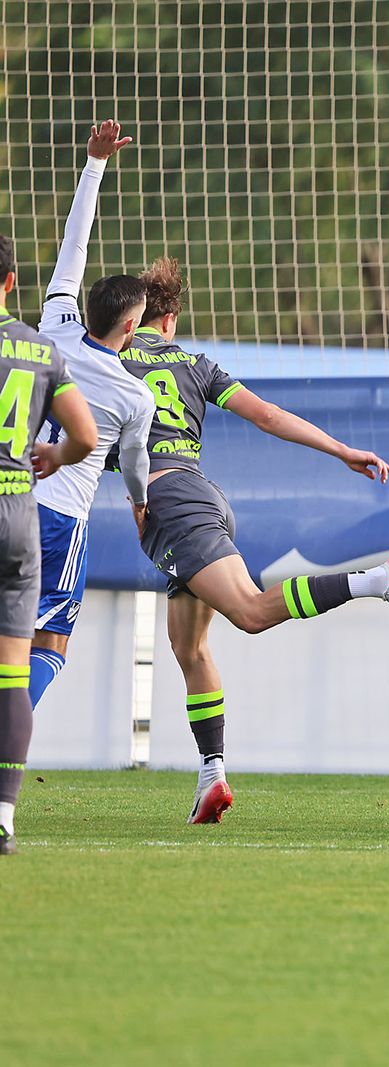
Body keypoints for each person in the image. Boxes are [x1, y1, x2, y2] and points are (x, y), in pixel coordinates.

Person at [120, 256, 389, 824]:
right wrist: (343, 451)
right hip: (201, 497)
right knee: (189, 648)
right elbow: (266, 415)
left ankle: (379, 581)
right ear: (170, 320)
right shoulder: (195, 364)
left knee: (253, 614)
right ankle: (212, 776)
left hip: (173, 507)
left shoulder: (110, 361)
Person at [28, 121, 158, 717]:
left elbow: (72, 249)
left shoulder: (55, 327)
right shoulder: (135, 398)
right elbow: (134, 468)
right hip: (61, 518)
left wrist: (94, 164)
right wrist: (138, 501)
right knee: (49, 642)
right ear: (131, 329)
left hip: (12, 495)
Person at [0, 234, 99, 854]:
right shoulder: (40, 349)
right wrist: (53, 455)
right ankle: (3, 818)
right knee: (13, 674)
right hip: (18, 512)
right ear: (11, 283)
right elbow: (85, 437)